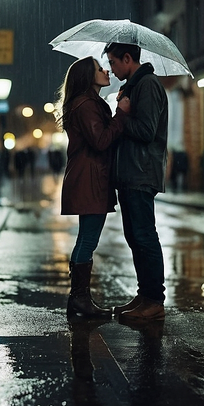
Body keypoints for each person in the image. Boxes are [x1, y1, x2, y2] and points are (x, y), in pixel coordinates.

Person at [55, 56, 130, 319]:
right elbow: (100, 140)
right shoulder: (86, 105)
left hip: (89, 176)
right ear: (88, 77)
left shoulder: (88, 103)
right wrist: (121, 113)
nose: (106, 70)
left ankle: (79, 299)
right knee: (88, 239)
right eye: (100, 68)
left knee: (86, 238)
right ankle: (79, 300)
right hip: (89, 177)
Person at [104, 42, 168, 321]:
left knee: (144, 236)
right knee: (134, 237)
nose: (111, 68)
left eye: (114, 63)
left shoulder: (148, 85)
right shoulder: (133, 86)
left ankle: (154, 300)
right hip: (130, 173)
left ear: (127, 58)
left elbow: (146, 130)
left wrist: (122, 115)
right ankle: (144, 295)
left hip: (142, 173)